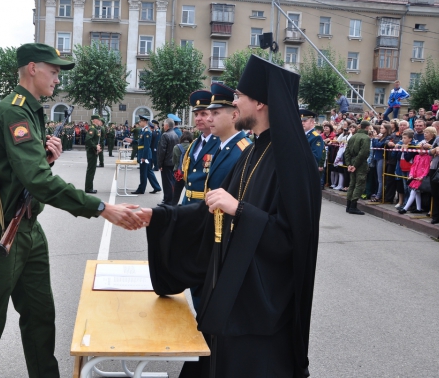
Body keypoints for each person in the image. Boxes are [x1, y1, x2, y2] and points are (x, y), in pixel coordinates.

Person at [0, 43, 142, 378]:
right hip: (2, 230)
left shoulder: (31, 111)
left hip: (28, 227)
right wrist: (99, 207)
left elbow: (26, 172)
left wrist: (46, 158)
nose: (57, 79)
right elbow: (37, 181)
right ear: (32, 68)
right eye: (53, 71)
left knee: (41, 317)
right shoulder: (13, 111)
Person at [136, 55, 321, 378]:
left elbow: (293, 239)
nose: (235, 104)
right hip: (232, 288)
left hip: (262, 307)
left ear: (261, 103)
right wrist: (160, 216)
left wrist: (241, 210)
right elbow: (213, 210)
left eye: (239, 97)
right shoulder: (254, 150)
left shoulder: (293, 160)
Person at [181, 90, 220, 205]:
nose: (198, 118)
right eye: (196, 114)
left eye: (203, 114)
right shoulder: (194, 144)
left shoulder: (221, 144)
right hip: (188, 202)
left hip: (207, 205)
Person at [344, 120, 371, 214]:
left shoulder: (353, 136)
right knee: (359, 184)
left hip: (352, 161)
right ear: (367, 127)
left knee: (352, 184)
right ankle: (353, 206)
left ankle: (348, 205)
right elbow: (363, 153)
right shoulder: (366, 138)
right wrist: (355, 165)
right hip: (360, 164)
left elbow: (346, 152)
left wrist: (349, 164)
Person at [131, 115, 162, 194]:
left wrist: (144, 157)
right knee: (148, 172)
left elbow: (147, 146)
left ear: (144, 122)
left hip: (145, 155)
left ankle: (141, 189)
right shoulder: (143, 130)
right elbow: (140, 141)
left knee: (143, 173)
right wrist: (132, 141)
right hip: (144, 154)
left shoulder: (147, 131)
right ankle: (157, 187)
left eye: (140, 121)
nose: (139, 122)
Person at [156, 118, 179, 205]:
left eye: (164, 124)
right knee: (172, 181)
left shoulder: (165, 135)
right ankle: (171, 199)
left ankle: (167, 200)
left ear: (167, 125)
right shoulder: (175, 134)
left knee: (167, 183)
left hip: (166, 162)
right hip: (173, 162)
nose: (163, 126)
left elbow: (162, 151)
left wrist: (160, 164)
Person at [301, 110, 325, 188]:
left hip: (307, 171)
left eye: (305, 121)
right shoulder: (301, 135)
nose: (302, 123)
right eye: (301, 121)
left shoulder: (316, 137)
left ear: (312, 122)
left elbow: (315, 156)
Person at [171, 131, 193, 206]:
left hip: (179, 173)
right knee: (189, 193)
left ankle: (172, 211)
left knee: (176, 194)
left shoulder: (176, 147)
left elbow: (174, 161)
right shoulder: (193, 146)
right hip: (190, 173)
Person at [85, 114, 102, 193]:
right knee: (91, 170)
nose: (99, 121)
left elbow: (94, 140)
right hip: (91, 151)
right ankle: (88, 188)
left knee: (92, 169)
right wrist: (95, 147)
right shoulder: (92, 129)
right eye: (98, 120)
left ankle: (89, 187)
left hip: (93, 151)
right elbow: (88, 140)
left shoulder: (95, 129)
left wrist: (97, 146)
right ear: (94, 120)